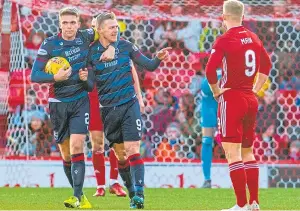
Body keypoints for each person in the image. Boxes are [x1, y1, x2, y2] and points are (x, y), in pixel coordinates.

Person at [82, 12, 170, 209]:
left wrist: (158, 57)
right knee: (121, 156)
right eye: (111, 27)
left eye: (116, 26)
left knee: (133, 150)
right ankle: (131, 193)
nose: (116, 29)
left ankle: (139, 194)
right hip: (108, 110)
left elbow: (149, 65)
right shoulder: (91, 53)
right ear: (100, 30)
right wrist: (82, 77)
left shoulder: (125, 46)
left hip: (129, 105)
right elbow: (89, 86)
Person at [31, 7, 116, 209]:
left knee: (77, 146)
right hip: (58, 104)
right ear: (60, 25)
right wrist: (55, 77)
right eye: (65, 23)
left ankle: (77, 198)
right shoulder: (50, 44)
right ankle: (80, 196)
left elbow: (110, 26)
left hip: (80, 101)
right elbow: (35, 75)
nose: (69, 27)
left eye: (72, 23)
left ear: (79, 24)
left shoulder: (86, 36)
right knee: (66, 154)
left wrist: (112, 47)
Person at [205, 1, 271, 211]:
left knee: (232, 154)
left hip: (231, 98)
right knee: (248, 152)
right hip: (250, 99)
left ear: (224, 16)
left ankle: (241, 205)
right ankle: (254, 203)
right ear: (242, 16)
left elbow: (209, 71)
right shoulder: (253, 37)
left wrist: (216, 91)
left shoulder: (224, 40)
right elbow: (267, 65)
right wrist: (255, 88)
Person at [88, 15, 128, 198]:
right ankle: (100, 185)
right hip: (93, 100)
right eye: (94, 25)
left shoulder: (119, 47)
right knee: (97, 144)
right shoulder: (87, 49)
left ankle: (114, 183)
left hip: (114, 99)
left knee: (115, 142)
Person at [199, 69, 221, 188]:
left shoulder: (236, 77)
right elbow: (206, 88)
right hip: (210, 105)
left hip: (226, 104)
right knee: (207, 140)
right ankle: (207, 179)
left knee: (234, 142)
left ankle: (241, 176)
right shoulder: (207, 83)